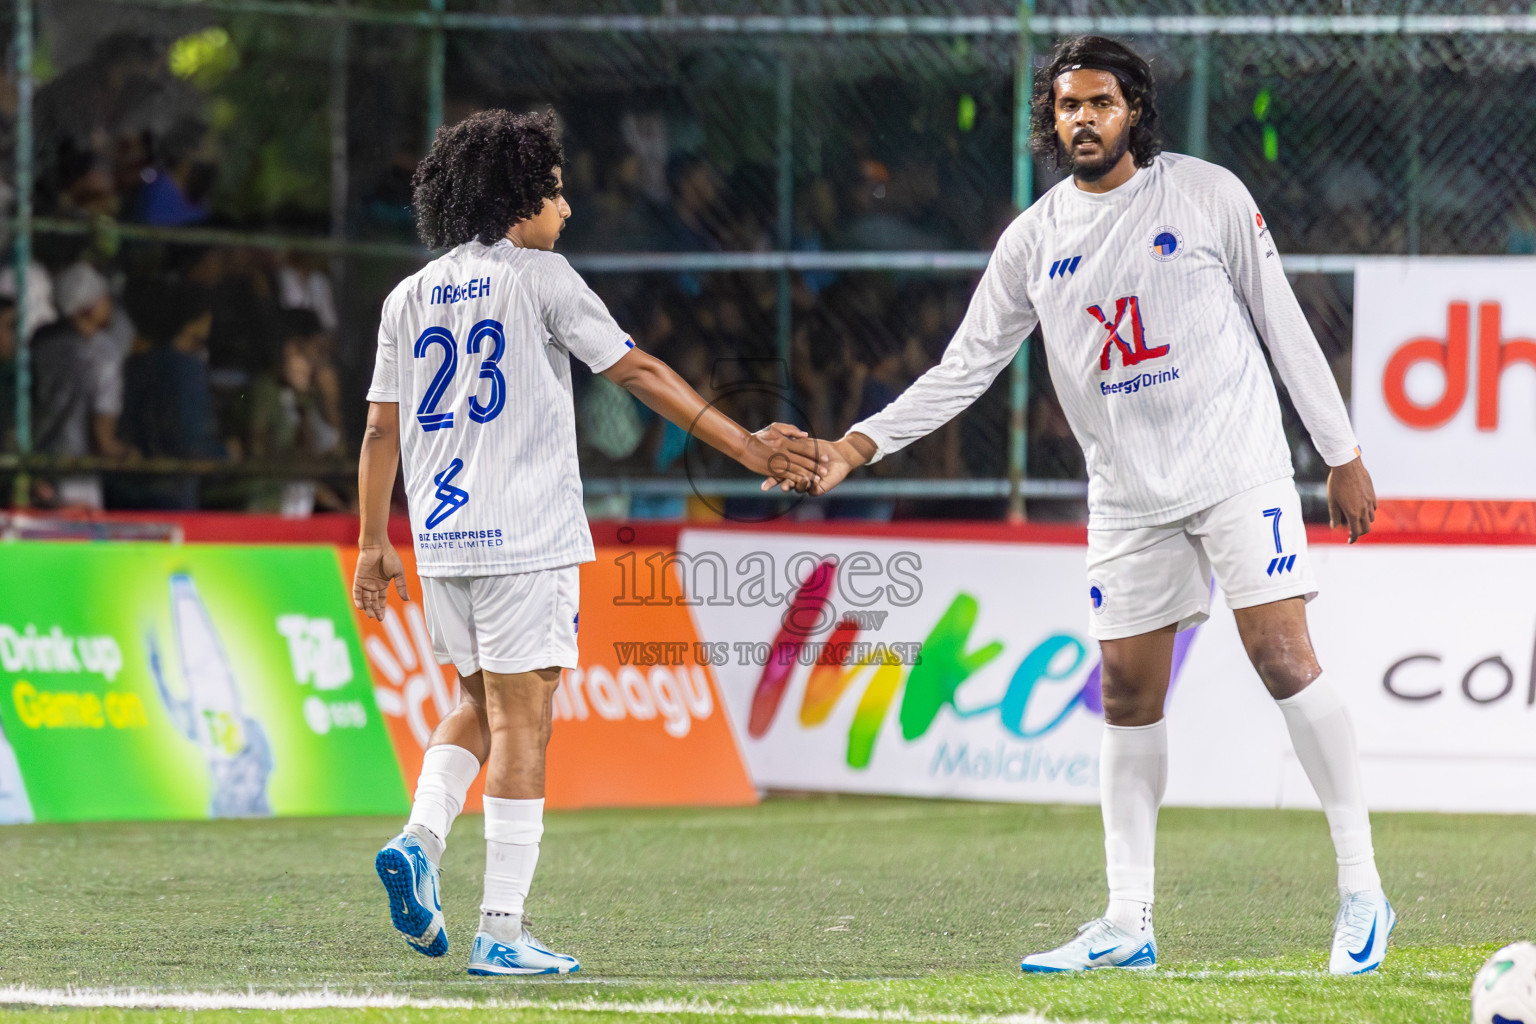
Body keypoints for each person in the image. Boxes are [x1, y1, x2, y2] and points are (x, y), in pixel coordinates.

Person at [798, 36, 1391, 975]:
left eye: (1101, 103)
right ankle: (1128, 922)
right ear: (1054, 119)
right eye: (1069, 105)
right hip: (1126, 497)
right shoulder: (1032, 240)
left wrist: (1342, 453)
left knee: (1282, 657)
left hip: (1238, 466)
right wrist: (855, 445)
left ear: (1133, 111)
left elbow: (1285, 321)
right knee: (1125, 694)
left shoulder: (1205, 193)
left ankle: (1362, 889)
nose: (1083, 119)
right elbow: (963, 371)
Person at [352, 109, 820, 978]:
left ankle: (421, 838)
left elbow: (380, 432)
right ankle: (501, 928)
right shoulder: (544, 277)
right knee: (526, 725)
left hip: (442, 539)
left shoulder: (406, 296)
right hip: (526, 536)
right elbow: (637, 372)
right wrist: (750, 447)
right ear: (520, 197)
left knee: (473, 701)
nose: (566, 210)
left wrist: (371, 542)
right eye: (557, 192)